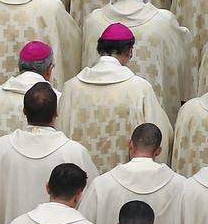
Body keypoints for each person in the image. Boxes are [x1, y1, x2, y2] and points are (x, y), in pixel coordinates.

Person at [60, 19, 174, 170]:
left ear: (99, 49)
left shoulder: (71, 88)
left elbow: (60, 131)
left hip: (76, 183)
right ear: (129, 52)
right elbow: (161, 136)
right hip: (124, 184)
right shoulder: (139, 89)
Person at [0, 84, 98, 224]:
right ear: (56, 112)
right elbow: (91, 200)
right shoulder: (74, 152)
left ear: (24, 111)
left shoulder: (2, 148)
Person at [79, 0, 188, 124]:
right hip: (152, 121)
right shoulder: (164, 22)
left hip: (100, 113)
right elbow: (184, 60)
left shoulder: (93, 21)